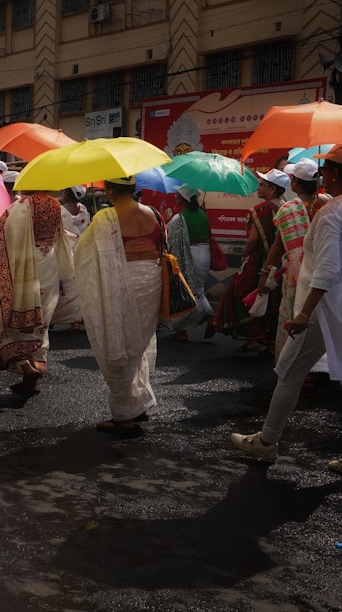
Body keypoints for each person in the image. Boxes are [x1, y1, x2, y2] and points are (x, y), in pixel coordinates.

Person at [230, 144, 342, 479]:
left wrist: (303, 314)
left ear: (336, 173)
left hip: (326, 309)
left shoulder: (331, 213)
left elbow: (327, 270)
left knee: (289, 372)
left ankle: (267, 441)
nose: (322, 174)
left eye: (326, 168)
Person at [75, 176, 164, 439]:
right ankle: (137, 403)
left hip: (123, 284)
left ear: (111, 190)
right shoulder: (154, 213)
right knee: (138, 343)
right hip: (151, 281)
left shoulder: (105, 219)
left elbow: (82, 254)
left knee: (119, 346)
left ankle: (124, 416)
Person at [0, 186, 73, 396]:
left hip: (25, 264)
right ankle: (31, 378)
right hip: (48, 264)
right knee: (40, 322)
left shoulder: (22, 206)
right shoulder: (55, 205)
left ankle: (24, 365)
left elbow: (3, 230)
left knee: (7, 315)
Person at [211, 168, 285, 355]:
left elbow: (252, 240)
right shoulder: (287, 208)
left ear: (273, 189)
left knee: (243, 296)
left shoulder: (259, 211)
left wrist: (244, 254)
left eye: (263, 185)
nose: (258, 188)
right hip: (281, 265)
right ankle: (269, 341)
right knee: (273, 301)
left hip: (258, 263)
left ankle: (255, 339)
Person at [259, 159, 318, 361]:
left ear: (294, 182)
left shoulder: (288, 209)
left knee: (292, 316)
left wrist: (265, 273)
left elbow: (278, 247)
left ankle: (291, 365)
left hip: (296, 277)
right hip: (322, 276)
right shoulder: (326, 204)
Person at [160, 184, 214, 341]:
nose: (175, 198)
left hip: (191, 256)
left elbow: (167, 236)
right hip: (204, 254)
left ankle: (181, 330)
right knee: (198, 289)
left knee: (185, 292)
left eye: (177, 195)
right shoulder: (203, 215)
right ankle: (209, 317)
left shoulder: (179, 219)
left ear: (183, 199)